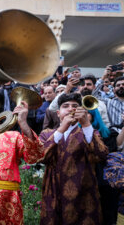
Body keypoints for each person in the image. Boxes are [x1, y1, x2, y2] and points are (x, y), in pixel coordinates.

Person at [39, 93, 108, 225]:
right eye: (66, 106)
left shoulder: (89, 132)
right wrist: (61, 128)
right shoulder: (46, 133)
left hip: (83, 194)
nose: (71, 109)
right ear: (58, 113)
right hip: (53, 192)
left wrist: (87, 124)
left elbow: (101, 155)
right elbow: (42, 157)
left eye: (75, 106)